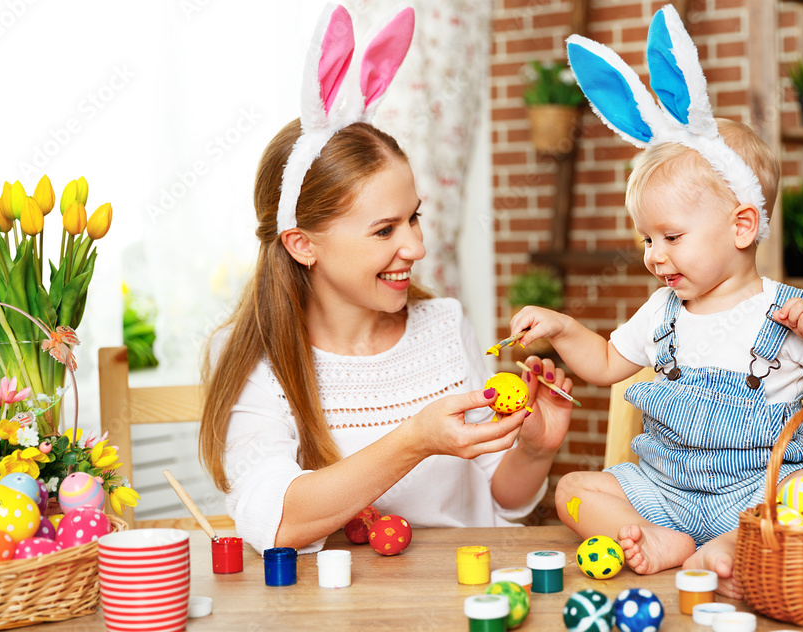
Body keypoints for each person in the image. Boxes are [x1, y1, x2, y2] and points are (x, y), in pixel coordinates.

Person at [509, 8, 803, 598]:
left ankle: (736, 539)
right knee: (572, 489)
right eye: (647, 238)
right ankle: (654, 539)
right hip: (663, 491)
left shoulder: (787, 311)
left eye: (671, 237)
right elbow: (603, 365)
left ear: (742, 226)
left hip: (758, 491)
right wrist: (563, 327)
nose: (654, 255)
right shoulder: (662, 311)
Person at [199, 3, 573, 556]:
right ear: (303, 244)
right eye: (384, 230)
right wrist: (415, 440)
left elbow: (497, 504)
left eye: (414, 218)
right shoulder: (259, 354)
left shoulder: (443, 325)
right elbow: (274, 522)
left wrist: (536, 450)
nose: (416, 247)